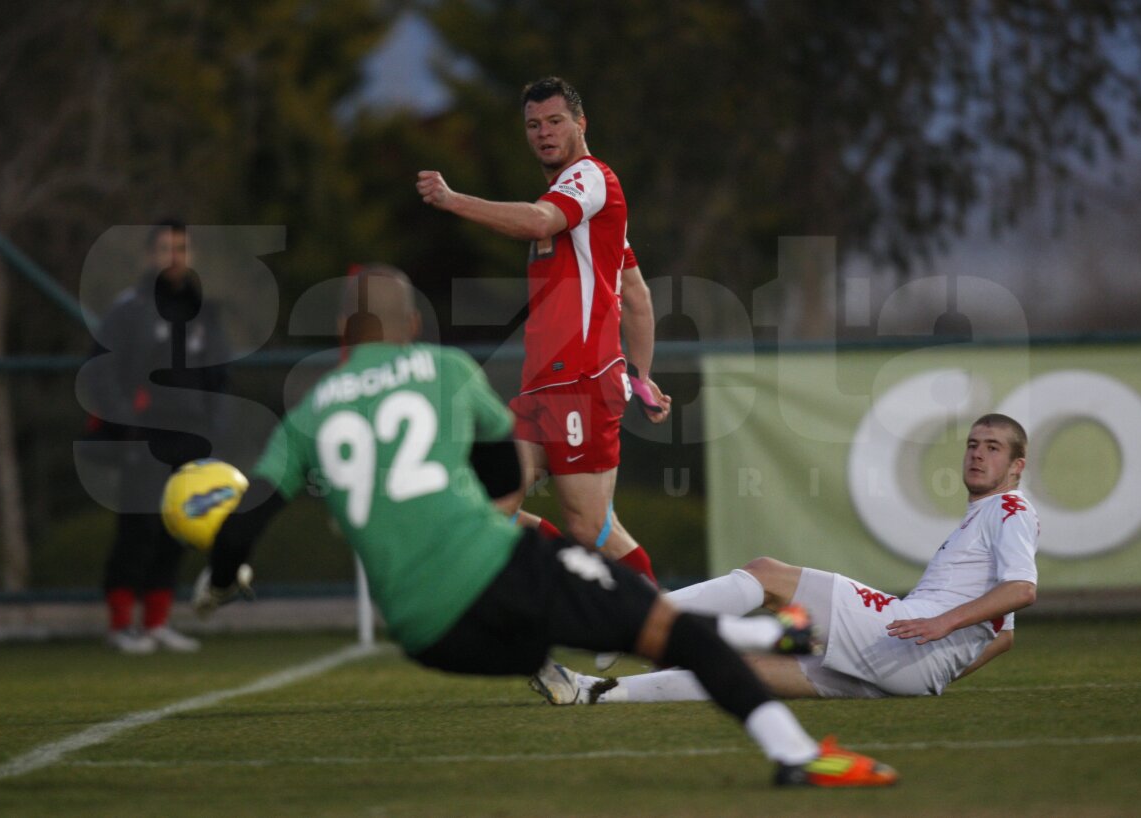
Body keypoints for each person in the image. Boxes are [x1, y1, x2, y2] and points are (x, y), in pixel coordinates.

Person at [192, 266, 897, 787]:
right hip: (498, 568)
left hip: (429, 635)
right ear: (410, 327)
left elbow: (241, 525)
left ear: (342, 335)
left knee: (590, 631)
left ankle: (762, 634)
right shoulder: (441, 368)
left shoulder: (308, 414)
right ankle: (797, 752)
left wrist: (220, 585)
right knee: (662, 631)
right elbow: (505, 474)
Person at [534, 414, 1039, 704]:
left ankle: (628, 621)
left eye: (992, 448)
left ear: (1016, 467)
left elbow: (1022, 591)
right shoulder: (983, 519)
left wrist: (940, 626)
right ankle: (592, 693)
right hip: (913, 667)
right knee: (741, 669)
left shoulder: (1010, 507)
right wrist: (936, 676)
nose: (977, 454)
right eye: (973, 444)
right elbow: (1006, 634)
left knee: (766, 574)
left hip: (908, 636)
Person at [416, 77, 669, 586]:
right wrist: (640, 377)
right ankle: (579, 589)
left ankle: (658, 617)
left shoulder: (590, 178)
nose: (543, 133)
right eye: (533, 125)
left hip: (581, 378)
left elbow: (537, 223)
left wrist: (451, 199)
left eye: (554, 121)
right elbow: (636, 293)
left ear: (581, 124)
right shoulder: (586, 210)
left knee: (590, 525)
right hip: (544, 385)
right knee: (484, 494)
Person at [83, 219, 229, 653]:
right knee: (138, 526)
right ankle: (119, 624)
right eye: (165, 248)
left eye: (181, 248)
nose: (174, 257)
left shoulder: (203, 311)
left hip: (189, 437)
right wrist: (126, 421)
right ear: (150, 256)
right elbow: (102, 369)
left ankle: (157, 622)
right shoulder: (129, 309)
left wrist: (213, 426)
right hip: (142, 434)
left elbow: (218, 376)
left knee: (177, 528)